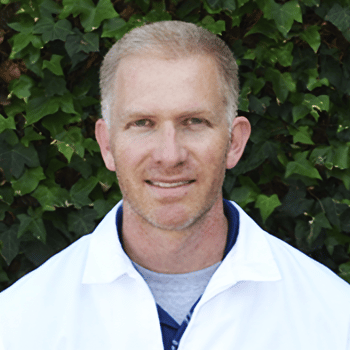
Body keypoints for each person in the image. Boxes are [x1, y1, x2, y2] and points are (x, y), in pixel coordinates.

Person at [0, 20, 349, 350]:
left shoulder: (334, 318)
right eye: (142, 123)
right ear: (107, 145)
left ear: (234, 142)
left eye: (194, 121)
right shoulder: (19, 324)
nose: (169, 156)